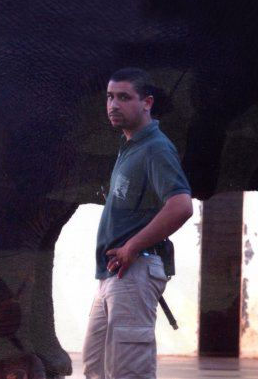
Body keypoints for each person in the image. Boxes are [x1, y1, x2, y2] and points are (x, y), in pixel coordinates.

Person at [82, 67, 193, 378]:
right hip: (112, 276)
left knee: (128, 372)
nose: (113, 105)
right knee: (96, 368)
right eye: (109, 97)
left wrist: (132, 246)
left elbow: (181, 205)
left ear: (147, 102)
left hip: (136, 270)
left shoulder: (155, 148)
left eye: (124, 97)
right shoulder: (130, 146)